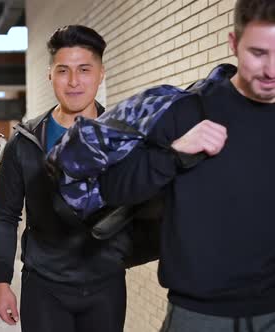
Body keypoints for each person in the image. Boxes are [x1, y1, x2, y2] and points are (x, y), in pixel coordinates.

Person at [99, 0, 275, 330]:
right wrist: (174, 153)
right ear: (234, 44)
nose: (272, 70)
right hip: (198, 316)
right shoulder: (188, 111)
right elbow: (112, 188)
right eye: (259, 53)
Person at [0, 25, 130, 332]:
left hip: (105, 285)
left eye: (84, 69)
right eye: (63, 70)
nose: (74, 81)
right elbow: (4, 214)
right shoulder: (26, 142)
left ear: (101, 73)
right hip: (45, 286)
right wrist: (2, 281)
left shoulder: (121, 137)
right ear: (50, 75)